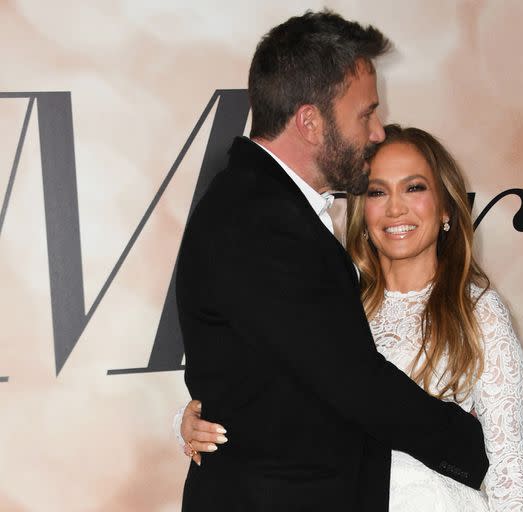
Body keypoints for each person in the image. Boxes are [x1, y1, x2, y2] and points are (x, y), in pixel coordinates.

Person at [174, 10, 488, 512]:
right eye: (365, 114)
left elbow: (272, 370)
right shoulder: (264, 220)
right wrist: (469, 443)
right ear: (310, 122)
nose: (378, 132)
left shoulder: (259, 203)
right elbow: (352, 381)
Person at [179, 125, 523, 511]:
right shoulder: (334, 300)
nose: (395, 208)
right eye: (378, 192)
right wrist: (191, 416)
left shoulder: (478, 311)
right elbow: (271, 398)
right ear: (362, 209)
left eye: (414, 187)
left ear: (446, 206)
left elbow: (507, 469)